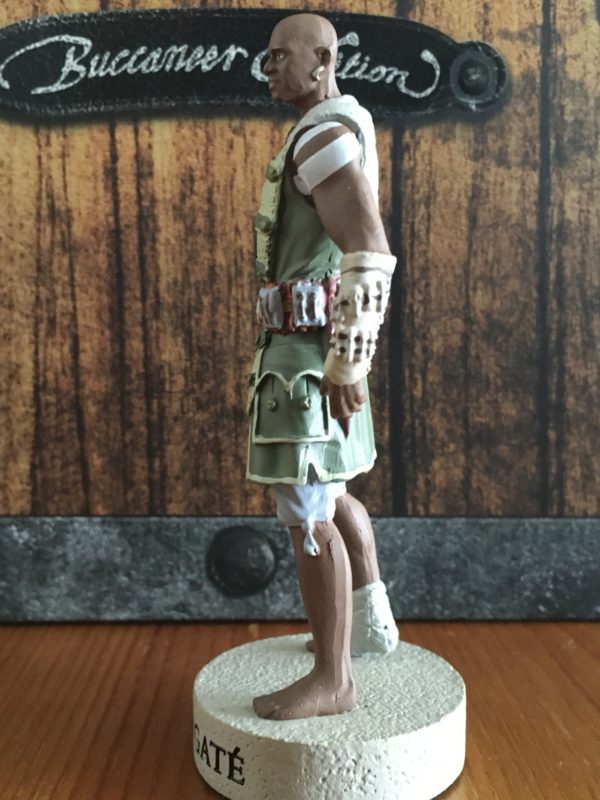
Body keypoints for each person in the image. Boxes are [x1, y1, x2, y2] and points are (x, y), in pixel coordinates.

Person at [246, 12, 398, 721]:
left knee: (307, 513)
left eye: (282, 56)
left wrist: (346, 359)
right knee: (333, 496)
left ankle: (333, 679)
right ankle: (368, 626)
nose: (269, 68)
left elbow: (369, 248)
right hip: (311, 350)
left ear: (323, 60)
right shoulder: (335, 125)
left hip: (308, 360)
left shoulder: (322, 136)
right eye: (268, 56)